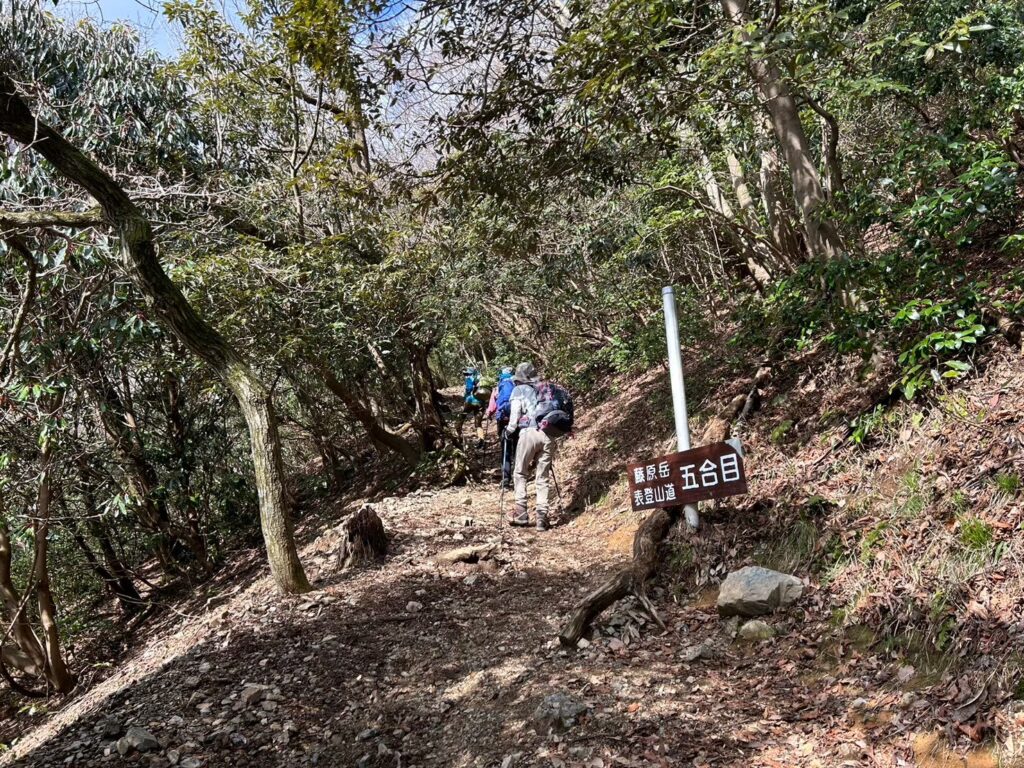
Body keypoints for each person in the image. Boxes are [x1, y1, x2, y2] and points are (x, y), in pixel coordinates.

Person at [505, 361, 555, 530]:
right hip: (548, 434)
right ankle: (542, 516)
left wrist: (508, 431)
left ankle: (521, 512)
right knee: (543, 477)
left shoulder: (518, 390)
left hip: (529, 433)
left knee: (520, 472)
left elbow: (514, 418)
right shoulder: (546, 388)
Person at [486, 366, 517, 489]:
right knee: (517, 448)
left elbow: (492, 406)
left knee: (506, 449)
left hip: (503, 421)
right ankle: (518, 476)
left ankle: (505, 479)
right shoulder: (517, 385)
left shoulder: (497, 387)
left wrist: (489, 414)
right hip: (516, 420)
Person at [462, 366, 486, 447]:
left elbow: (469, 389)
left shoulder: (469, 378)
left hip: (470, 402)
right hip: (481, 403)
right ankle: (481, 441)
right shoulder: (481, 379)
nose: (466, 375)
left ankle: (459, 438)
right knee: (478, 424)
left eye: (467, 374)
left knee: (461, 420)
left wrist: (466, 394)